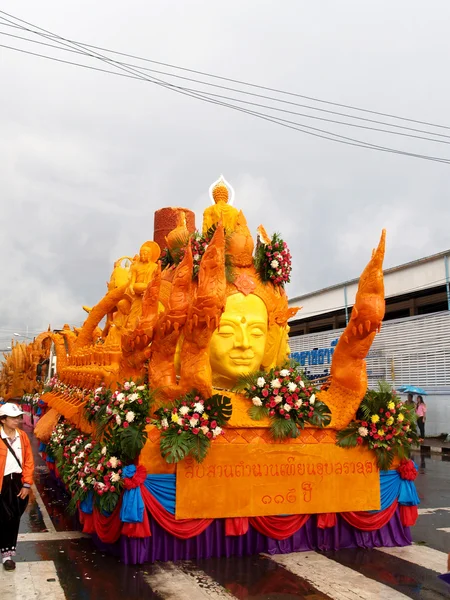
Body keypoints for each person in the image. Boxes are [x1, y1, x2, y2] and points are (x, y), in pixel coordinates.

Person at [0, 402, 34, 571]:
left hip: (17, 483)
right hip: (2, 483)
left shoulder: (22, 436)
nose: (18, 420)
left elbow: (28, 460)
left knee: (13, 517)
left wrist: (27, 484)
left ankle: (8, 554)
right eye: (13, 418)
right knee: (4, 517)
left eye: (18, 417)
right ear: (3, 420)